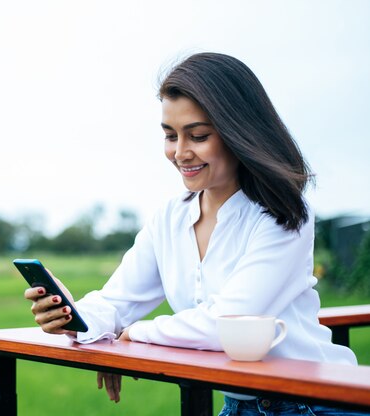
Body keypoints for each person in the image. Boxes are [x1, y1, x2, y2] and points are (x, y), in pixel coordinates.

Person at [24, 52, 366, 415]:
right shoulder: (169, 219)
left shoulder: (282, 215)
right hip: (240, 404)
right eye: (171, 136)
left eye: (198, 135)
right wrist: (72, 317)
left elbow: (226, 326)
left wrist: (135, 334)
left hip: (319, 403)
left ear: (239, 132)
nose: (181, 153)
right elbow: (117, 303)